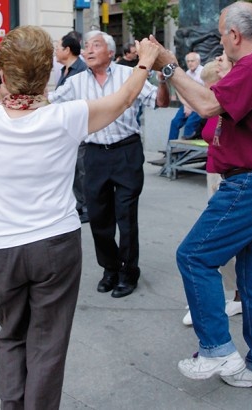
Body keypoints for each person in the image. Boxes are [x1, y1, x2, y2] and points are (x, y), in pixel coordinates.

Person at [0, 25, 162, 410]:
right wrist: (145, 62)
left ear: (2, 70)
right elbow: (123, 99)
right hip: (55, 243)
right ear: (47, 71)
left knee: (11, 333)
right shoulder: (67, 116)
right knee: (48, 342)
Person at [154, 1, 252, 393]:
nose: (220, 41)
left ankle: (217, 348)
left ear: (235, 35)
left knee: (194, 256)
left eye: (221, 33)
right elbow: (213, 117)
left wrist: (170, 66)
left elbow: (205, 105)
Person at [49, 30, 170, 299]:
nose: (89, 50)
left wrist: (162, 81)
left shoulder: (130, 74)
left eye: (96, 45)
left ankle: (129, 272)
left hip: (126, 152)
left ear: (111, 52)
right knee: (99, 217)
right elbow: (51, 104)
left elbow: (159, 102)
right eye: (86, 46)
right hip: (94, 155)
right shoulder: (76, 82)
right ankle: (110, 268)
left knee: (126, 216)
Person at [180, 56, 242, 326]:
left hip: (233, 177)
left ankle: (212, 299)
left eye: (211, 87)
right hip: (216, 174)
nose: (208, 93)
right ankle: (229, 296)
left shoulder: (233, 98)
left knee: (209, 245)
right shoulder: (213, 100)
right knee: (221, 242)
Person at [55, 33, 89, 223]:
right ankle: (80, 203)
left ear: (67, 50)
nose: (56, 51)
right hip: (67, 127)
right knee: (74, 169)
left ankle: (88, 207)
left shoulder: (81, 70)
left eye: (58, 48)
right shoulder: (64, 70)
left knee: (83, 170)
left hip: (80, 126)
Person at [168, 51, 204, 141]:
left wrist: (191, 107)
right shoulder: (187, 73)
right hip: (188, 104)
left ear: (198, 61)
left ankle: (185, 152)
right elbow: (183, 92)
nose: (190, 63)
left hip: (199, 106)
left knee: (190, 125)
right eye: (188, 61)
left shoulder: (203, 73)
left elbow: (203, 94)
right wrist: (187, 106)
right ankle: (171, 150)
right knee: (175, 122)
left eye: (192, 61)